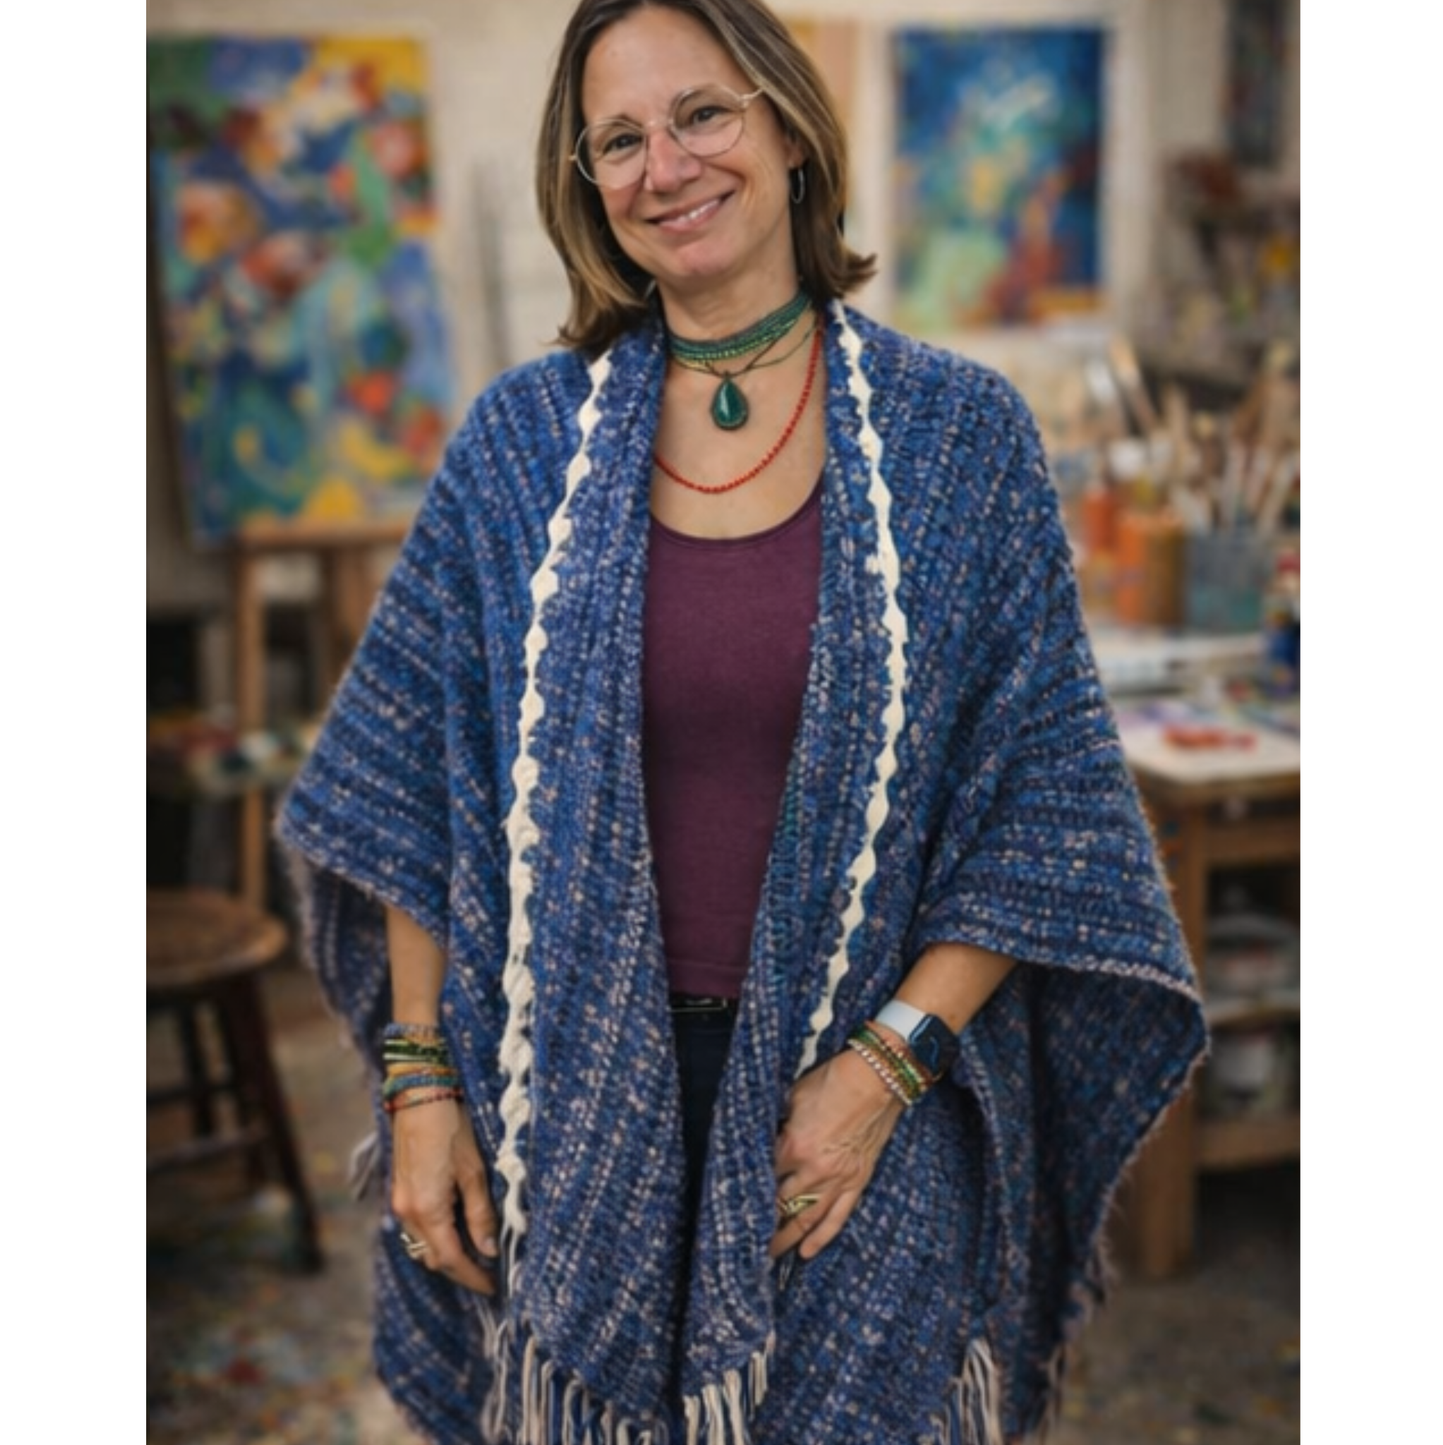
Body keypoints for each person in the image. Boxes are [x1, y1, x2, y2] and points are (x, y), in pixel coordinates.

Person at [276, 1, 1207, 1441]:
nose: (666, 165)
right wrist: (418, 1086)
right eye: (619, 140)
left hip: (862, 1097)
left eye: (701, 114)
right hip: (564, 1099)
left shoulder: (962, 438)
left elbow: (1042, 805)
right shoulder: (517, 448)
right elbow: (414, 789)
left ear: (785, 124)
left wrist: (886, 1070)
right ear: (586, 183)